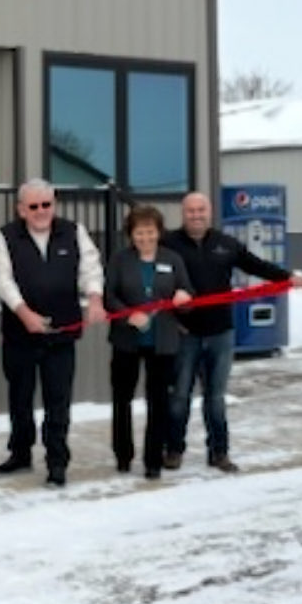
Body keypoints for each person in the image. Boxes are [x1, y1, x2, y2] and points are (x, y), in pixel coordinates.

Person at [162, 191, 302, 473]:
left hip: (220, 333)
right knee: (179, 396)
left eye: (201, 210)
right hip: (185, 333)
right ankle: (174, 450)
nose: (196, 215)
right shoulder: (169, 245)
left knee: (215, 399)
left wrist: (289, 277)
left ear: (210, 212)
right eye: (191, 211)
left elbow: (257, 265)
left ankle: (219, 452)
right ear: (183, 214)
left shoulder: (226, 244)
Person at [0, 178, 106, 487]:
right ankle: (20, 454)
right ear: (21, 209)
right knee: (20, 399)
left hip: (62, 335)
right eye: (34, 206)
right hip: (20, 335)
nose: (42, 211)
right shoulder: (5, 237)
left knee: (58, 401)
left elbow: (91, 269)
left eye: (47, 204)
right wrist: (24, 312)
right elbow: (3, 281)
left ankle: (57, 463)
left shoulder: (74, 231)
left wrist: (94, 299)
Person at [104, 205, 193, 479]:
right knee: (122, 399)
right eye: (139, 232)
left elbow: (187, 291)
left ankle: (153, 460)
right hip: (126, 341)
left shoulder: (172, 259)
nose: (145, 238)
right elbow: (109, 297)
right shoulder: (120, 260)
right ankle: (123, 455)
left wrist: (184, 298)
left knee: (158, 402)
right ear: (131, 234)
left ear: (158, 232)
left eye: (150, 232)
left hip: (162, 342)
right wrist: (128, 315)